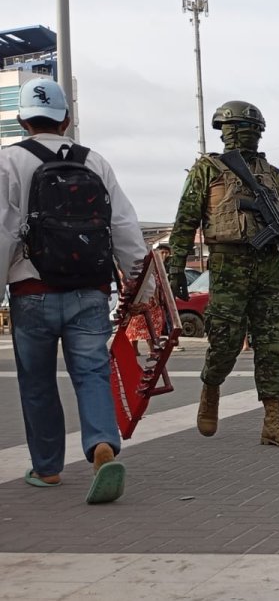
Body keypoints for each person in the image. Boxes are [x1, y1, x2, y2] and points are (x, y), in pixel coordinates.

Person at [0, 77, 144, 503]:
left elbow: (4, 234)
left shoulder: (8, 163)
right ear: (67, 118)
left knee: (37, 382)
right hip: (89, 292)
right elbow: (123, 227)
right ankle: (102, 446)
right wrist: (138, 280)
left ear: (23, 118)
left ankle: (47, 470)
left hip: (32, 291)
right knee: (92, 373)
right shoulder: (94, 161)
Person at [167, 100, 279, 448]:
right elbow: (185, 220)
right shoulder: (208, 169)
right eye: (239, 127)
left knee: (271, 345)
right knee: (226, 342)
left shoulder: (272, 174)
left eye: (251, 128)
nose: (246, 134)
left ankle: (272, 421)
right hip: (228, 267)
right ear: (224, 131)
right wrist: (176, 267)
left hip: (270, 267)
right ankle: (211, 386)